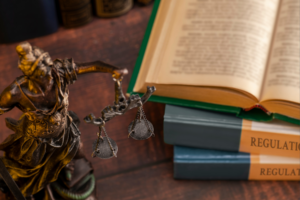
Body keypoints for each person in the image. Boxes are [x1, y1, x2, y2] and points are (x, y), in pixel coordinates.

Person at [0, 42, 128, 199]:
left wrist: (112, 70)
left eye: (49, 66)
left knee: (78, 152)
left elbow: (92, 66)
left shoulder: (59, 73)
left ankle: (66, 164)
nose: (49, 73)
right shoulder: (16, 92)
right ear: (31, 74)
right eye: (43, 70)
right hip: (36, 139)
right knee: (30, 169)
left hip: (64, 130)